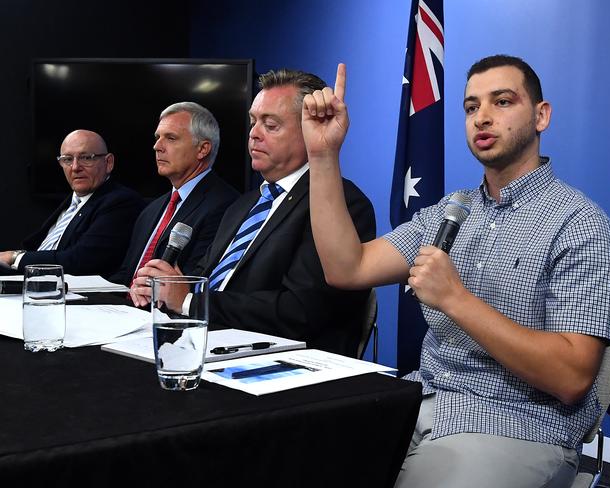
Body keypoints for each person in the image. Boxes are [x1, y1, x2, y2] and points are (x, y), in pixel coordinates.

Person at [304, 56, 610, 487]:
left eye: (503, 101)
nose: (483, 117)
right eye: (471, 107)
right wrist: (323, 156)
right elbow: (348, 267)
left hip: (516, 422)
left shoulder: (582, 225)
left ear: (541, 116)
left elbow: (570, 377)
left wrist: (456, 299)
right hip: (419, 401)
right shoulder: (453, 211)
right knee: (296, 458)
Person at [130, 69, 376, 356]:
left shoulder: (341, 204)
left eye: (270, 125)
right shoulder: (243, 204)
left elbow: (300, 312)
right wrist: (165, 284)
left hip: (281, 365)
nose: (254, 134)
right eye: (253, 122)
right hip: (205, 344)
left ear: (311, 130)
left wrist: (190, 301)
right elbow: (204, 277)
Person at [110, 102, 239, 286]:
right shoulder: (151, 209)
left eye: (170, 138)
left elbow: (195, 283)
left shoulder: (226, 206)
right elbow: (125, 274)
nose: (157, 146)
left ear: (202, 149)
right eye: (157, 137)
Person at [0, 129, 144, 277]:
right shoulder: (72, 201)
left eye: (86, 158)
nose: (75, 167)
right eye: (67, 159)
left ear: (108, 162)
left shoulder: (121, 202)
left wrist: (14, 257)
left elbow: (81, 260)